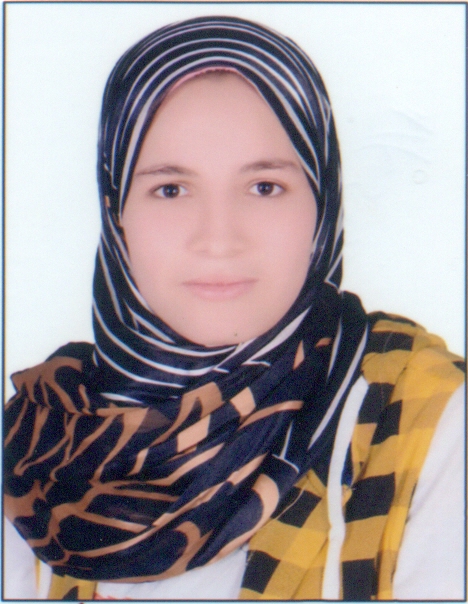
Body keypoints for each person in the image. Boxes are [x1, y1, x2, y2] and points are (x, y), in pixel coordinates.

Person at [4, 15, 464, 601]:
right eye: (171, 189)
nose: (218, 239)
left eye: (264, 187)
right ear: (117, 216)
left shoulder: (423, 421)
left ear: (322, 207)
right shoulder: (42, 446)